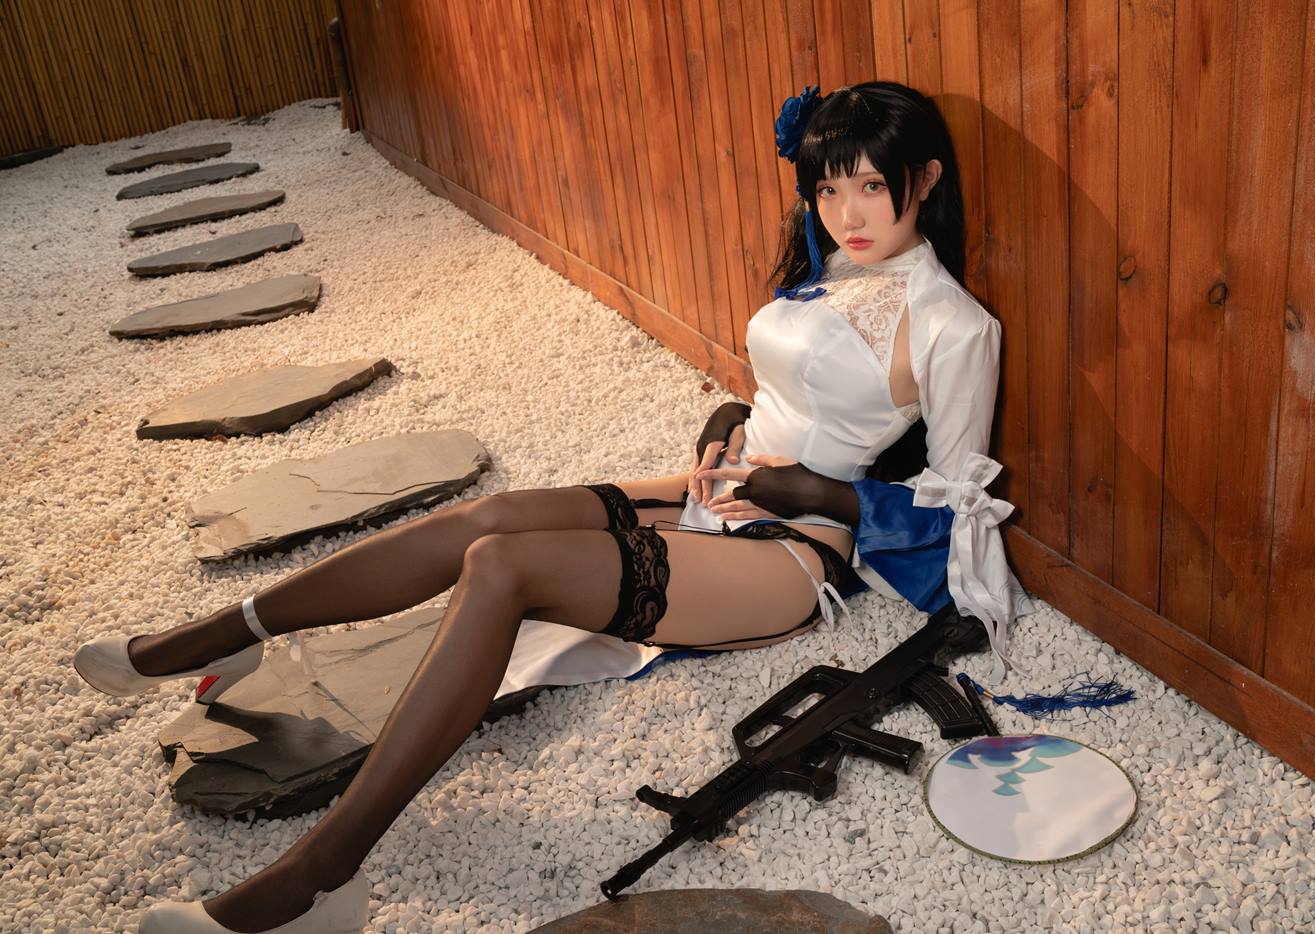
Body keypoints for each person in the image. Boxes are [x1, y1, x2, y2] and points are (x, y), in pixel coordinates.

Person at [74, 80, 1026, 933]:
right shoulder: (836, 265)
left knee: (504, 566)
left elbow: (959, 517)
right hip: (715, 487)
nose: (847, 212)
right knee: (482, 519)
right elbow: (781, 388)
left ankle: (322, 876)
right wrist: (727, 420)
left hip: (789, 550)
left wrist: (814, 490)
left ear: (925, 179)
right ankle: (229, 634)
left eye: (871, 186)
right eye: (827, 189)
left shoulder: (955, 326)